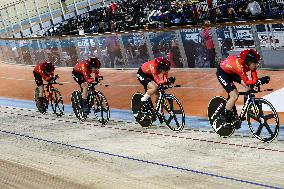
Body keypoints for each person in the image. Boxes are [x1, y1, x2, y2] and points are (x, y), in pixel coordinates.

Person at [216, 49, 269, 127]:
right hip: (223, 73)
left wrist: (258, 81)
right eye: (255, 63)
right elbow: (247, 81)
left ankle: (246, 108)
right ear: (248, 62)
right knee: (234, 95)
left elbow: (254, 79)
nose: (256, 65)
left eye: (257, 62)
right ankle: (223, 115)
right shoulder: (239, 65)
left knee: (248, 87)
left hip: (233, 72)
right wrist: (258, 81)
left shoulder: (250, 65)